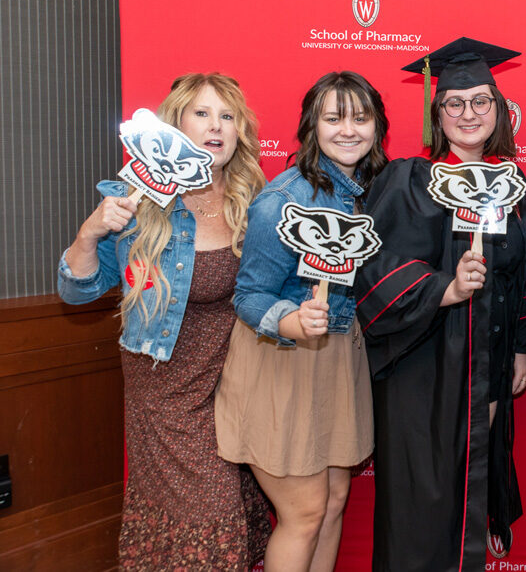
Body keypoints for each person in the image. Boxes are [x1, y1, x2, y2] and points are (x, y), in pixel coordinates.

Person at [57, 72, 269, 569]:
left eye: (227, 115)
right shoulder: (140, 200)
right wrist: (90, 232)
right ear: (175, 123)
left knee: (238, 506)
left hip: (235, 383)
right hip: (165, 387)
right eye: (202, 113)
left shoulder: (253, 199)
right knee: (208, 511)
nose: (216, 126)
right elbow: (78, 289)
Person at [354, 38, 526, 572]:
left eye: (481, 101)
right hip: (422, 365)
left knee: (470, 489)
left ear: (499, 111)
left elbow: (525, 272)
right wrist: (444, 288)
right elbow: (371, 265)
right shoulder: (407, 179)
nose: (469, 113)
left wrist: (522, 350)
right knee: (422, 503)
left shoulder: (513, 184)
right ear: (436, 114)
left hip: (486, 364)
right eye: (455, 103)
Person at [215, 71, 387, 572]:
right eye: (334, 118)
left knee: (333, 500)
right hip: (283, 361)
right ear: (313, 126)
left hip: (337, 358)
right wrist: (290, 320)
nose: (349, 130)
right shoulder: (280, 202)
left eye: (361, 117)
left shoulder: (368, 192)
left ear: (378, 125)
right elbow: (248, 295)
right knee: (305, 511)